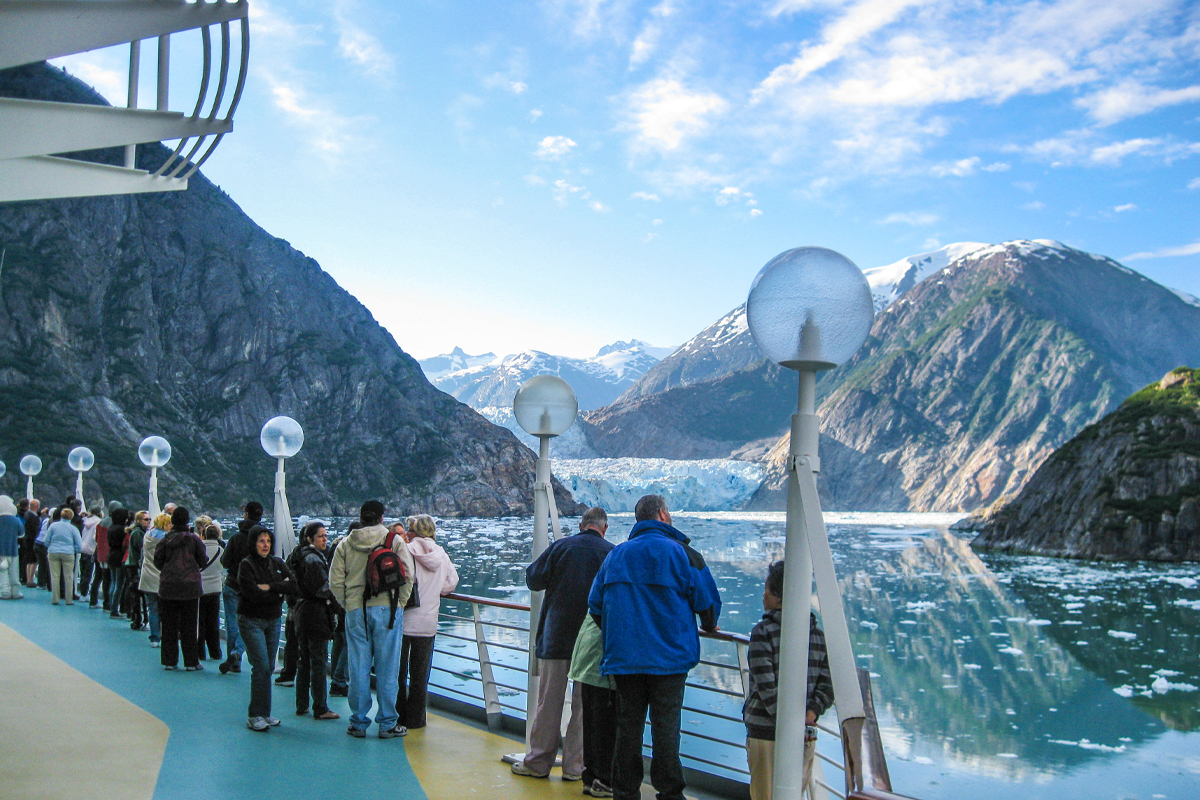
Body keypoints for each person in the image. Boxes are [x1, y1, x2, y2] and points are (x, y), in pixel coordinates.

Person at [588, 495, 722, 800]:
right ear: (662, 514)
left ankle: (624, 793)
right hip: (670, 660)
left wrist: (618, 635)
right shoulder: (684, 555)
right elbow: (709, 605)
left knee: (627, 729)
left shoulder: (617, 555)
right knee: (666, 730)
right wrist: (707, 625)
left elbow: (595, 605)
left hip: (625, 660)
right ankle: (670, 794)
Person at [513, 507, 613, 781]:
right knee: (584, 708)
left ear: (582, 525)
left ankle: (538, 763)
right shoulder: (611, 553)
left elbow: (533, 579)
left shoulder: (561, 547)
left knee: (549, 702)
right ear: (605, 528)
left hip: (556, 637)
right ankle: (574, 768)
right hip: (592, 643)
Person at [743, 560, 833, 800]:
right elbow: (828, 684)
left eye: (767, 589)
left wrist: (788, 724)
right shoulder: (817, 636)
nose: (763, 595)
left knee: (764, 794)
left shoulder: (763, 633)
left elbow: (765, 687)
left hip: (765, 733)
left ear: (780, 597)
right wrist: (809, 715)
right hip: (804, 733)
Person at [329, 500, 414, 739]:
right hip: (388, 609)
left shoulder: (345, 544)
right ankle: (387, 724)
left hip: (356, 610)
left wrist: (349, 605)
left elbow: (335, 581)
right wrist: (399, 604)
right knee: (388, 668)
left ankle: (358, 723)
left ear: (361, 516)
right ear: (381, 517)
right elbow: (408, 575)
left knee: (358, 667)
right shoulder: (393, 540)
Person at [396, 514, 458, 730]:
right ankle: (416, 719)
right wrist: (435, 591)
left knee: (398, 673)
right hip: (428, 622)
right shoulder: (441, 555)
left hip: (403, 621)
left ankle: (397, 716)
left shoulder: (406, 551)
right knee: (420, 675)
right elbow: (451, 583)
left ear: (413, 531)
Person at [237, 525, 296, 732]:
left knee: (269, 666)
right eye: (261, 541)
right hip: (251, 620)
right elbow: (251, 592)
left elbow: (293, 584)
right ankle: (255, 714)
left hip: (273, 620)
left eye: (268, 541)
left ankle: (265, 712)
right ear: (253, 543)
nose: (265, 545)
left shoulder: (277, 562)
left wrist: (270, 587)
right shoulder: (246, 565)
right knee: (261, 666)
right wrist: (278, 589)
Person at [293, 521, 339, 720]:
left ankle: (302, 703)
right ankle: (320, 707)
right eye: (321, 536)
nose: (325, 540)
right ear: (310, 539)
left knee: (304, 660)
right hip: (316, 614)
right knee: (318, 660)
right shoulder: (314, 560)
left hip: (302, 613)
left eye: (325, 536)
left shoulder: (300, 556)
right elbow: (322, 588)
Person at [153, 507, 207, 671]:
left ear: (173, 521)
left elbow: (157, 561)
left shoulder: (165, 540)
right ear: (187, 521)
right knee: (189, 626)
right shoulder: (194, 539)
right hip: (190, 587)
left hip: (168, 586)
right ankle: (191, 662)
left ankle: (170, 661)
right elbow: (203, 560)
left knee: (168, 625)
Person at [218, 501, 264, 675]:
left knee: (232, 623)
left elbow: (225, 561)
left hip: (232, 584)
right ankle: (237, 652)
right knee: (250, 624)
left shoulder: (236, 537)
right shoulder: (263, 538)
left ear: (246, 514)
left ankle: (233, 659)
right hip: (252, 588)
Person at [139, 513, 170, 647]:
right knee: (165, 609)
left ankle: (154, 638)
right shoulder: (167, 540)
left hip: (147, 576)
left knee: (152, 609)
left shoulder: (147, 536)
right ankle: (165, 635)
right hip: (163, 577)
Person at [197, 520, 225, 661]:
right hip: (215, 589)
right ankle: (215, 652)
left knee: (200, 622)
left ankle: (200, 652)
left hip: (200, 588)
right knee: (213, 622)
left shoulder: (199, 548)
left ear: (204, 535)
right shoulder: (221, 551)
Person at [45, 507, 83, 605]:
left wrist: (51, 545)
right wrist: (74, 549)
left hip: (53, 551)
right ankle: (69, 599)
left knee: (55, 576)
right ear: (71, 517)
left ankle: (55, 598)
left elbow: (46, 540)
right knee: (69, 576)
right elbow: (79, 545)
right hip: (68, 553)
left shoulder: (53, 526)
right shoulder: (73, 528)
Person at [126, 511, 150, 630]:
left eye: (149, 519)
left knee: (136, 593)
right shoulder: (138, 533)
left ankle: (137, 619)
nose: (149, 521)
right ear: (139, 520)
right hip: (135, 565)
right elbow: (142, 548)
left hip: (133, 564)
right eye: (146, 519)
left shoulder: (136, 532)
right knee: (137, 594)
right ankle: (138, 619)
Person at [0, 496, 24, 600]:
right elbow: (21, 534)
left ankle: (5, 592)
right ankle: (15, 592)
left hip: (1, 550)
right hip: (13, 550)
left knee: (2, 571)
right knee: (14, 572)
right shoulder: (16, 520)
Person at [107, 509, 130, 618]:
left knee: (113, 582)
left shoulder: (111, 528)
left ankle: (111, 606)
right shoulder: (122, 530)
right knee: (119, 584)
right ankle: (114, 609)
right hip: (120, 557)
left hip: (111, 555)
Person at [78, 505, 100, 598]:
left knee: (82, 571)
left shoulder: (85, 521)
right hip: (91, 550)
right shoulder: (98, 522)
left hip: (82, 547)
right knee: (88, 573)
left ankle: (82, 592)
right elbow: (95, 537)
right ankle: (84, 594)